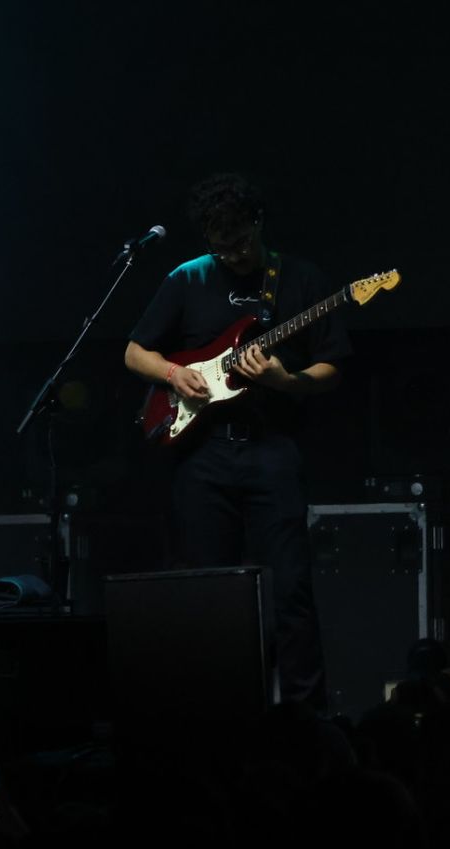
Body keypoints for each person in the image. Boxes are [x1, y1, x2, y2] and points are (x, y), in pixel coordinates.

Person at [125, 173, 351, 708]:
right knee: (210, 590)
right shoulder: (187, 278)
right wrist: (172, 375)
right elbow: (135, 351)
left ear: (259, 223)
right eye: (221, 246)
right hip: (202, 457)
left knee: (291, 589)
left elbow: (333, 368)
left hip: (272, 448)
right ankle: (220, 711)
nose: (234, 254)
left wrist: (285, 381)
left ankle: (304, 716)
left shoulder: (299, 279)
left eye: (242, 241)